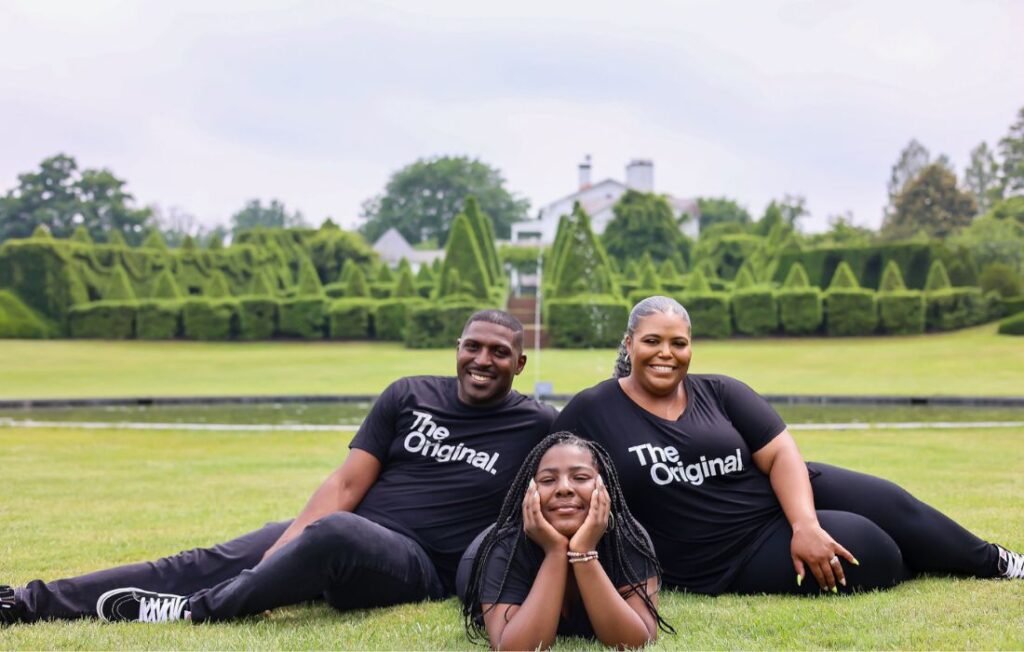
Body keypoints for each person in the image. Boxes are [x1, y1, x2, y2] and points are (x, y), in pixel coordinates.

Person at [0, 310, 559, 625]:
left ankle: (194, 613)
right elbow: (345, 483)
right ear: (457, 347)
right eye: (472, 347)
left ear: (520, 363)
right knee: (208, 557)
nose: (482, 361)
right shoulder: (408, 393)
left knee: (337, 531)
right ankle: (26, 601)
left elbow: (593, 457)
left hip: (414, 566)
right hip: (337, 532)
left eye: (498, 353)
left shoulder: (536, 425)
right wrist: (287, 542)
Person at [552, 295, 1024, 596]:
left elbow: (780, 454)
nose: (666, 353)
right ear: (630, 343)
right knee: (876, 552)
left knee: (895, 504)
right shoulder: (592, 409)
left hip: (780, 496)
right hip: (721, 552)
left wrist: (804, 524)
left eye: (679, 343)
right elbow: (552, 475)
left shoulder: (720, 390)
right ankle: (922, 558)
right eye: (652, 341)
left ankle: (999, 563)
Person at [457, 432, 673, 650]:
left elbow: (637, 641)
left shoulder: (628, 537)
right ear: (530, 490)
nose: (564, 489)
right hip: (476, 559)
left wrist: (583, 552)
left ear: (603, 487)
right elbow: (515, 648)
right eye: (548, 480)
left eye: (580, 478)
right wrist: (555, 552)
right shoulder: (506, 546)